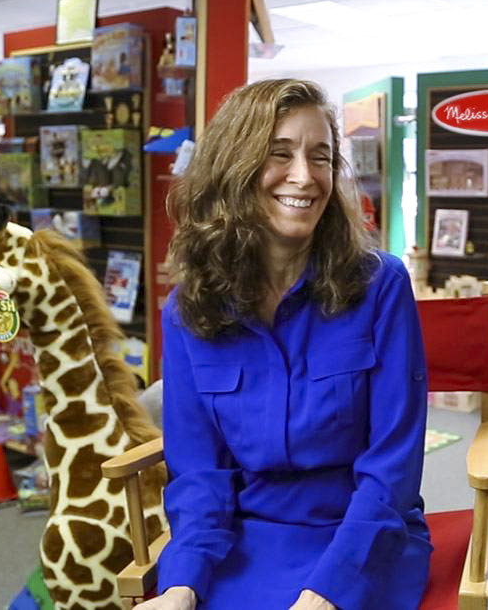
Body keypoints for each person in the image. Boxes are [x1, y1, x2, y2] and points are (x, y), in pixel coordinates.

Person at [137, 79, 431, 609]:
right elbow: (200, 475)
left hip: (364, 538)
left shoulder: (381, 285)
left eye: (321, 157)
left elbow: (393, 468)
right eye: (279, 154)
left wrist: (326, 594)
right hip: (247, 540)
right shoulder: (187, 311)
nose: (305, 176)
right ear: (235, 167)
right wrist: (180, 585)